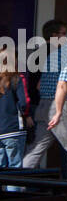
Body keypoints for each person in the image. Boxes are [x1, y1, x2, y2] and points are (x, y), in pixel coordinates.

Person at [22, 21, 67, 178]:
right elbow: (62, 85)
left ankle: (14, 184)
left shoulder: (54, 55)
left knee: (36, 148)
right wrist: (59, 111)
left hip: (43, 105)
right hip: (60, 107)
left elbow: (40, 85)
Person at [0, 46, 31, 189]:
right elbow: (24, 103)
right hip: (13, 129)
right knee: (15, 168)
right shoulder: (17, 79)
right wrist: (26, 115)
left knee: (2, 167)